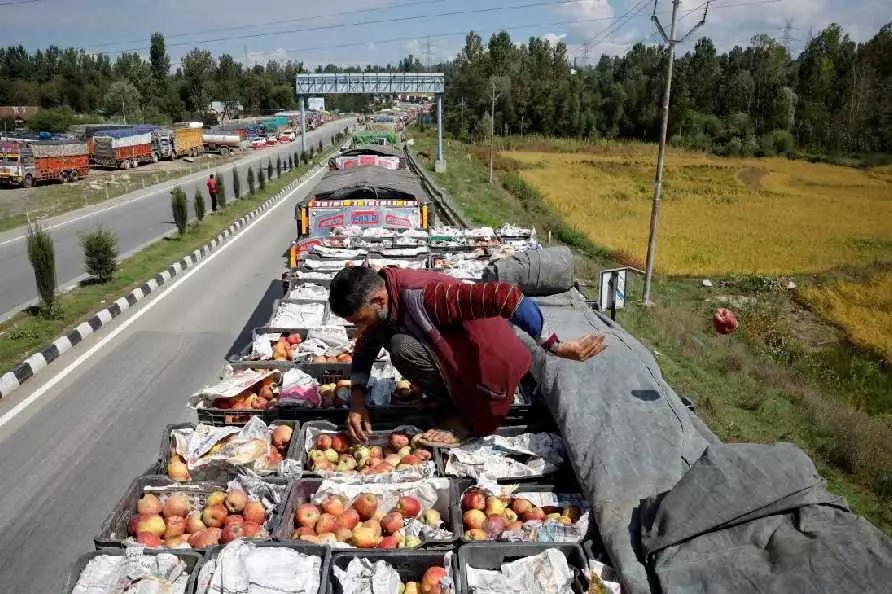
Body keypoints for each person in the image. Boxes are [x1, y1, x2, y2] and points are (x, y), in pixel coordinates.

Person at [329, 265, 608, 445]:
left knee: (402, 347)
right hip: (458, 355)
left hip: (492, 366)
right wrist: (357, 401)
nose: (359, 329)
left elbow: (506, 297)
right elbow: (366, 348)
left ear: (378, 300)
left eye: (360, 320)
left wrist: (556, 346)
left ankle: (463, 419)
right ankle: (450, 399)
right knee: (388, 337)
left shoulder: (426, 296)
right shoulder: (387, 302)